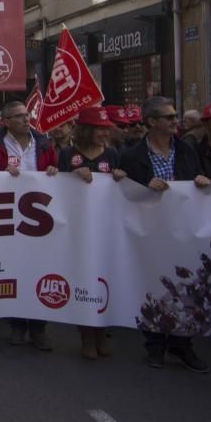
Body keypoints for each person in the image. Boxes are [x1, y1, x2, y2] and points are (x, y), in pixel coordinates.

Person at [120, 96, 211, 373]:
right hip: (149, 230)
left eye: (175, 116)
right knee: (154, 285)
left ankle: (183, 344)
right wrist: (141, 184)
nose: (175, 121)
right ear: (151, 122)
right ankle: (156, 343)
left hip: (183, 228)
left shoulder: (186, 151)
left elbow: (202, 180)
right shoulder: (132, 155)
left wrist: (201, 181)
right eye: (169, 117)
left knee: (186, 283)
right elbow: (124, 193)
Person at [57, 107, 128, 360]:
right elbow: (56, 188)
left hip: (105, 228)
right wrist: (69, 176)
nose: (103, 133)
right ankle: (86, 335)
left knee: (105, 280)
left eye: (105, 128)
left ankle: (101, 332)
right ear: (86, 130)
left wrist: (119, 177)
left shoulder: (112, 154)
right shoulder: (67, 154)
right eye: (98, 128)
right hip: (78, 229)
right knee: (83, 280)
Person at [0, 100, 58, 350]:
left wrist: (52, 169)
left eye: (27, 115)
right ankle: (17, 325)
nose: (26, 119)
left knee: (39, 270)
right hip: (6, 218)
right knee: (13, 271)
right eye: (18, 116)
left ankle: (39, 328)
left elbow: (56, 170)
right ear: (6, 121)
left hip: (38, 216)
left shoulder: (44, 143)